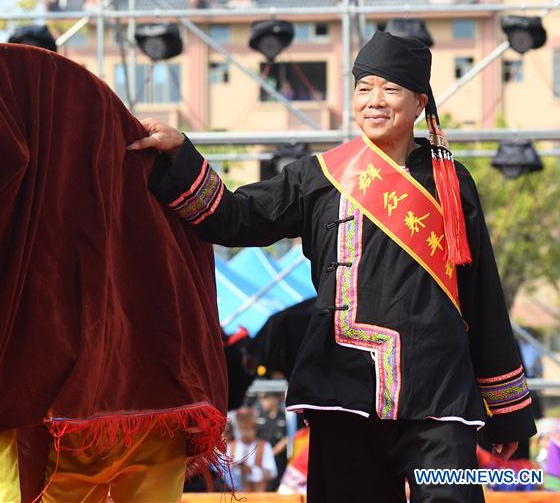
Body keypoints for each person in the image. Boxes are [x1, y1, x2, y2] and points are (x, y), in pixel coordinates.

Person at [130, 30, 537, 503]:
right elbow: (235, 218)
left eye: (390, 89)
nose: (374, 101)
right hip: (341, 389)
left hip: (438, 397)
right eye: (364, 88)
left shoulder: (450, 182)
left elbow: (482, 294)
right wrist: (180, 153)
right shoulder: (319, 175)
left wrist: (506, 409)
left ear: (420, 101)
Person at [229, 408, 278, 492]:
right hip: (236, 495)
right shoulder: (230, 446)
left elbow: (272, 472)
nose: (245, 432)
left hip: (257, 495)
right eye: (242, 428)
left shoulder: (264, 446)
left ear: (255, 429)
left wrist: (251, 471)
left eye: (248, 428)